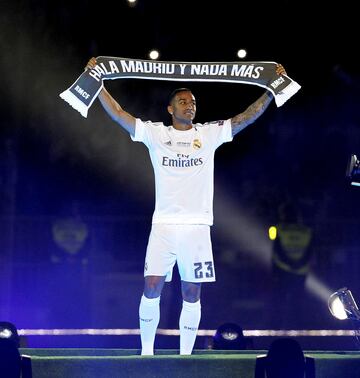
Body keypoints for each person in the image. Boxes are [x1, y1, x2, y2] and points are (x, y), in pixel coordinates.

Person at [85, 57, 287, 355]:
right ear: (171, 109)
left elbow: (245, 117)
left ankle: (186, 357)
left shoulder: (208, 134)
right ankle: (146, 353)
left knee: (191, 293)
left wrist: (270, 90)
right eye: (182, 101)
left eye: (192, 101)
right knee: (152, 287)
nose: (189, 104)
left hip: (197, 227)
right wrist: (97, 82)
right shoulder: (156, 133)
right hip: (164, 226)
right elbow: (118, 114)